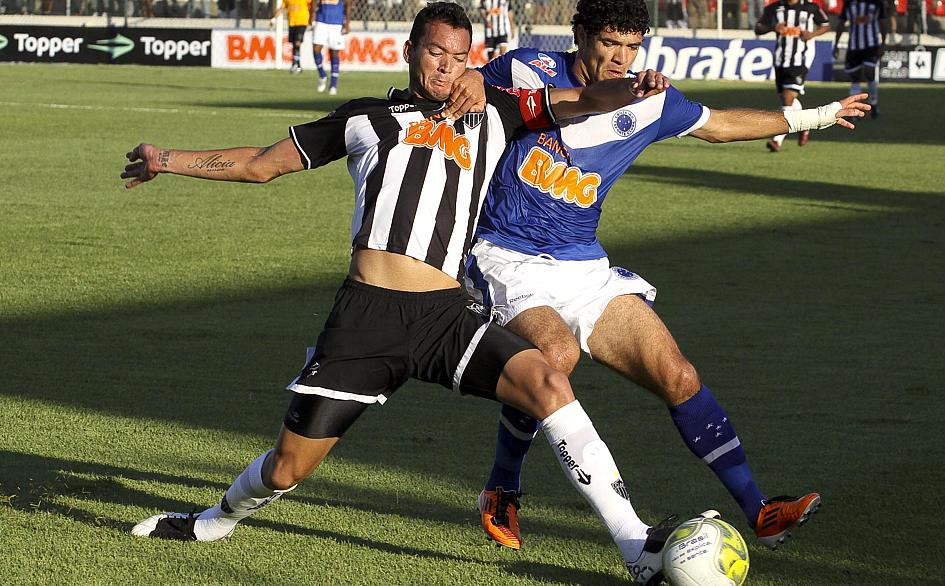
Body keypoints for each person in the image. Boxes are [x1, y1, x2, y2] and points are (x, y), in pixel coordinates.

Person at [121, 3, 694, 584]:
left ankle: (635, 548)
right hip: (367, 318)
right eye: (435, 53)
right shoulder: (366, 118)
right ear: (409, 50)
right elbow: (261, 164)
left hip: (445, 315)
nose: (445, 68)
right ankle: (215, 518)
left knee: (548, 380)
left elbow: (583, 100)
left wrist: (632, 86)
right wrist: (165, 160)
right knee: (287, 471)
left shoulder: (497, 111)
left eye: (458, 57)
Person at [449, 0, 867, 554]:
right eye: (609, 44)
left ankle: (760, 511)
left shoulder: (650, 101)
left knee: (677, 372)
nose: (621, 59)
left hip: (583, 265)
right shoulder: (530, 68)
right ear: (579, 36)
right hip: (506, 254)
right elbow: (474, 79)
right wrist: (475, 79)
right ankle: (502, 488)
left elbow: (718, 126)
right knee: (555, 355)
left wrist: (814, 116)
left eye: (632, 47)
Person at [754, 0, 830, 151]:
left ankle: (777, 139)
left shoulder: (810, 7)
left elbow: (826, 25)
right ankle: (804, 125)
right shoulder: (774, 8)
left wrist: (812, 34)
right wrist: (773, 27)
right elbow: (758, 28)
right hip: (781, 58)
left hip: (801, 58)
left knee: (788, 98)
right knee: (786, 98)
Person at [833, 0, 887, 118]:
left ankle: (873, 103)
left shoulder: (877, 3)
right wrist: (836, 43)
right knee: (855, 78)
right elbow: (841, 23)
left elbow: (882, 22)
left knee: (869, 71)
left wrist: (883, 43)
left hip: (871, 45)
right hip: (854, 47)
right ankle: (854, 110)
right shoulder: (849, 3)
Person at [310, 0, 351, 95]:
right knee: (316, 48)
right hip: (321, 20)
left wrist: (347, 23)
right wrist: (312, 15)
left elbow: (348, 4)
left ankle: (333, 84)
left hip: (336, 22)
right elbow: (314, 2)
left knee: (334, 53)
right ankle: (322, 75)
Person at [271, 0, 311, 73]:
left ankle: (295, 64)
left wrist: (312, 20)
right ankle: (297, 65)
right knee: (294, 44)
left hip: (302, 21)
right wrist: (274, 19)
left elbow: (312, 6)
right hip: (292, 23)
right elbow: (281, 8)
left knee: (297, 42)